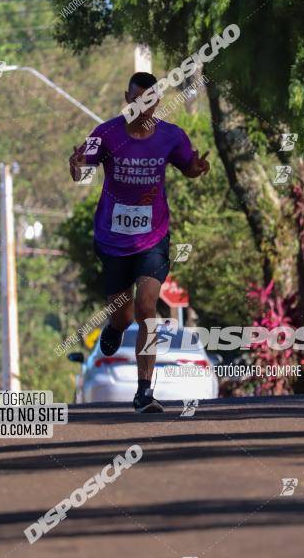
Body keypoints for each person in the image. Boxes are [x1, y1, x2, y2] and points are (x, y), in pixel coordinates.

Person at [69, 71, 210, 413]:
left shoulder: (171, 137)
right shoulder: (105, 133)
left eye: (148, 100)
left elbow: (188, 167)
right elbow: (81, 170)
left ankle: (144, 391)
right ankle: (115, 326)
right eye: (136, 100)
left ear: (157, 102)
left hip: (153, 238)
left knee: (147, 307)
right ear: (127, 98)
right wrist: (75, 166)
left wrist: (197, 167)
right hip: (112, 239)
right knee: (124, 315)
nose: (141, 106)